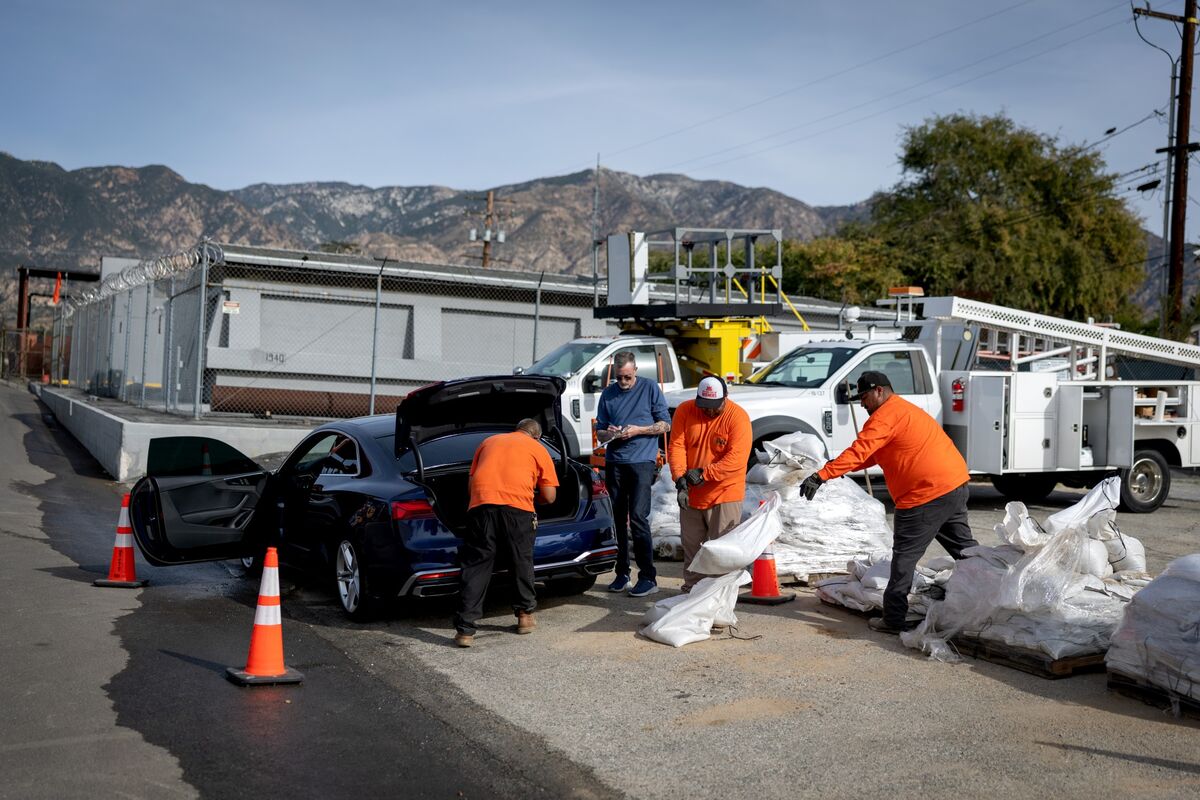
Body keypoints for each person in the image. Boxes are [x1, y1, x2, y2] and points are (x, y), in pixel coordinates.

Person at [800, 371, 978, 634]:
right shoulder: (903, 411)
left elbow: (861, 450)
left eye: (864, 396)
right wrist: (832, 470)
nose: (862, 404)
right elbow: (870, 456)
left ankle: (893, 619)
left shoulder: (885, 416)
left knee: (904, 559)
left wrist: (822, 475)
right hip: (953, 486)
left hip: (924, 496)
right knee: (966, 551)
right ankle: (994, 593)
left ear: (880, 391)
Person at [452, 418, 559, 648]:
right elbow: (550, 497)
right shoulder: (538, 448)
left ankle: (465, 630)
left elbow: (471, 487)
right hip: (517, 511)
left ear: (517, 430)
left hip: (481, 508)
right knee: (521, 561)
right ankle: (525, 616)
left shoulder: (488, 442)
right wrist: (532, 496)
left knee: (477, 566)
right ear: (536, 436)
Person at [596, 351, 671, 597]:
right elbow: (601, 433)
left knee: (638, 517)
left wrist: (638, 430)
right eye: (620, 378)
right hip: (615, 461)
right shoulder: (609, 394)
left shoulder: (649, 389)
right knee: (617, 518)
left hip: (641, 461)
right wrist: (611, 433)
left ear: (636, 370)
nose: (624, 382)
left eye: (628, 377)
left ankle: (648, 577)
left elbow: (665, 424)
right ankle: (622, 573)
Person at [668, 375, 752, 592]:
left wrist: (705, 474)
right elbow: (676, 446)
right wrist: (680, 481)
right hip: (693, 494)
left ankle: (720, 598)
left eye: (715, 407)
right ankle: (691, 596)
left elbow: (736, 460)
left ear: (726, 397)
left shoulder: (738, 418)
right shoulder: (685, 411)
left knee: (721, 552)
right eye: (705, 407)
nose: (709, 412)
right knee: (692, 549)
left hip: (725, 493)